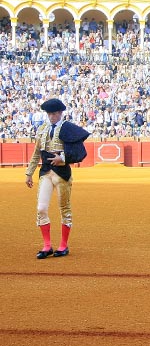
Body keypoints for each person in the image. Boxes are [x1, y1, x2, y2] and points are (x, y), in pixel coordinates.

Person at [25, 98, 89, 259]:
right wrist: (29, 172)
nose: (51, 116)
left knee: (64, 208)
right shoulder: (42, 128)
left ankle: (63, 245)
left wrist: (63, 158)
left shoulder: (67, 128)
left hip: (62, 174)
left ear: (60, 113)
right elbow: (36, 153)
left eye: (54, 113)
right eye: (49, 114)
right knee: (41, 208)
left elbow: (80, 152)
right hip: (46, 171)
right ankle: (47, 246)